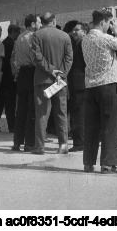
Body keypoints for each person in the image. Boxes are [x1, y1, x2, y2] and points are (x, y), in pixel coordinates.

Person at [81, 9, 117, 173]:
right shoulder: (107, 38)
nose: (110, 26)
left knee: (91, 126)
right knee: (110, 125)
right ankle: (108, 163)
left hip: (90, 86)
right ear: (103, 22)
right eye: (109, 23)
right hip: (108, 85)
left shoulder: (85, 40)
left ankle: (88, 162)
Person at [31, 12, 73, 154]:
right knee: (61, 113)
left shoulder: (37, 35)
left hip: (43, 80)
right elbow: (69, 59)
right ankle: (63, 145)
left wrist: (51, 70)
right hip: (60, 82)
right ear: (54, 21)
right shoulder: (65, 36)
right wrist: (61, 73)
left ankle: (40, 146)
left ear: (42, 22)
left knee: (42, 114)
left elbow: (37, 57)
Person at [11, 13, 40, 152]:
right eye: (39, 23)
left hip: (21, 73)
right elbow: (35, 57)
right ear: (33, 24)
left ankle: (17, 141)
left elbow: (15, 57)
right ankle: (29, 142)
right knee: (31, 109)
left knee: (21, 109)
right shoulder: (33, 37)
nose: (40, 25)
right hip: (31, 72)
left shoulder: (19, 37)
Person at [0, 23, 20, 134]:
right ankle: (12, 126)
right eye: (17, 33)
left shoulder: (3, 43)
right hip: (9, 78)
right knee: (10, 103)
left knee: (0, 102)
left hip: (2, 77)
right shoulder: (12, 44)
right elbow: (11, 61)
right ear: (13, 32)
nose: (18, 35)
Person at [66, 22, 87, 151]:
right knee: (77, 112)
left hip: (79, 82)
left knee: (78, 113)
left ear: (84, 31)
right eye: (73, 30)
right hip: (77, 82)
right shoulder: (76, 44)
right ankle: (79, 141)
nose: (74, 32)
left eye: (77, 30)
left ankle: (79, 143)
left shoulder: (83, 44)